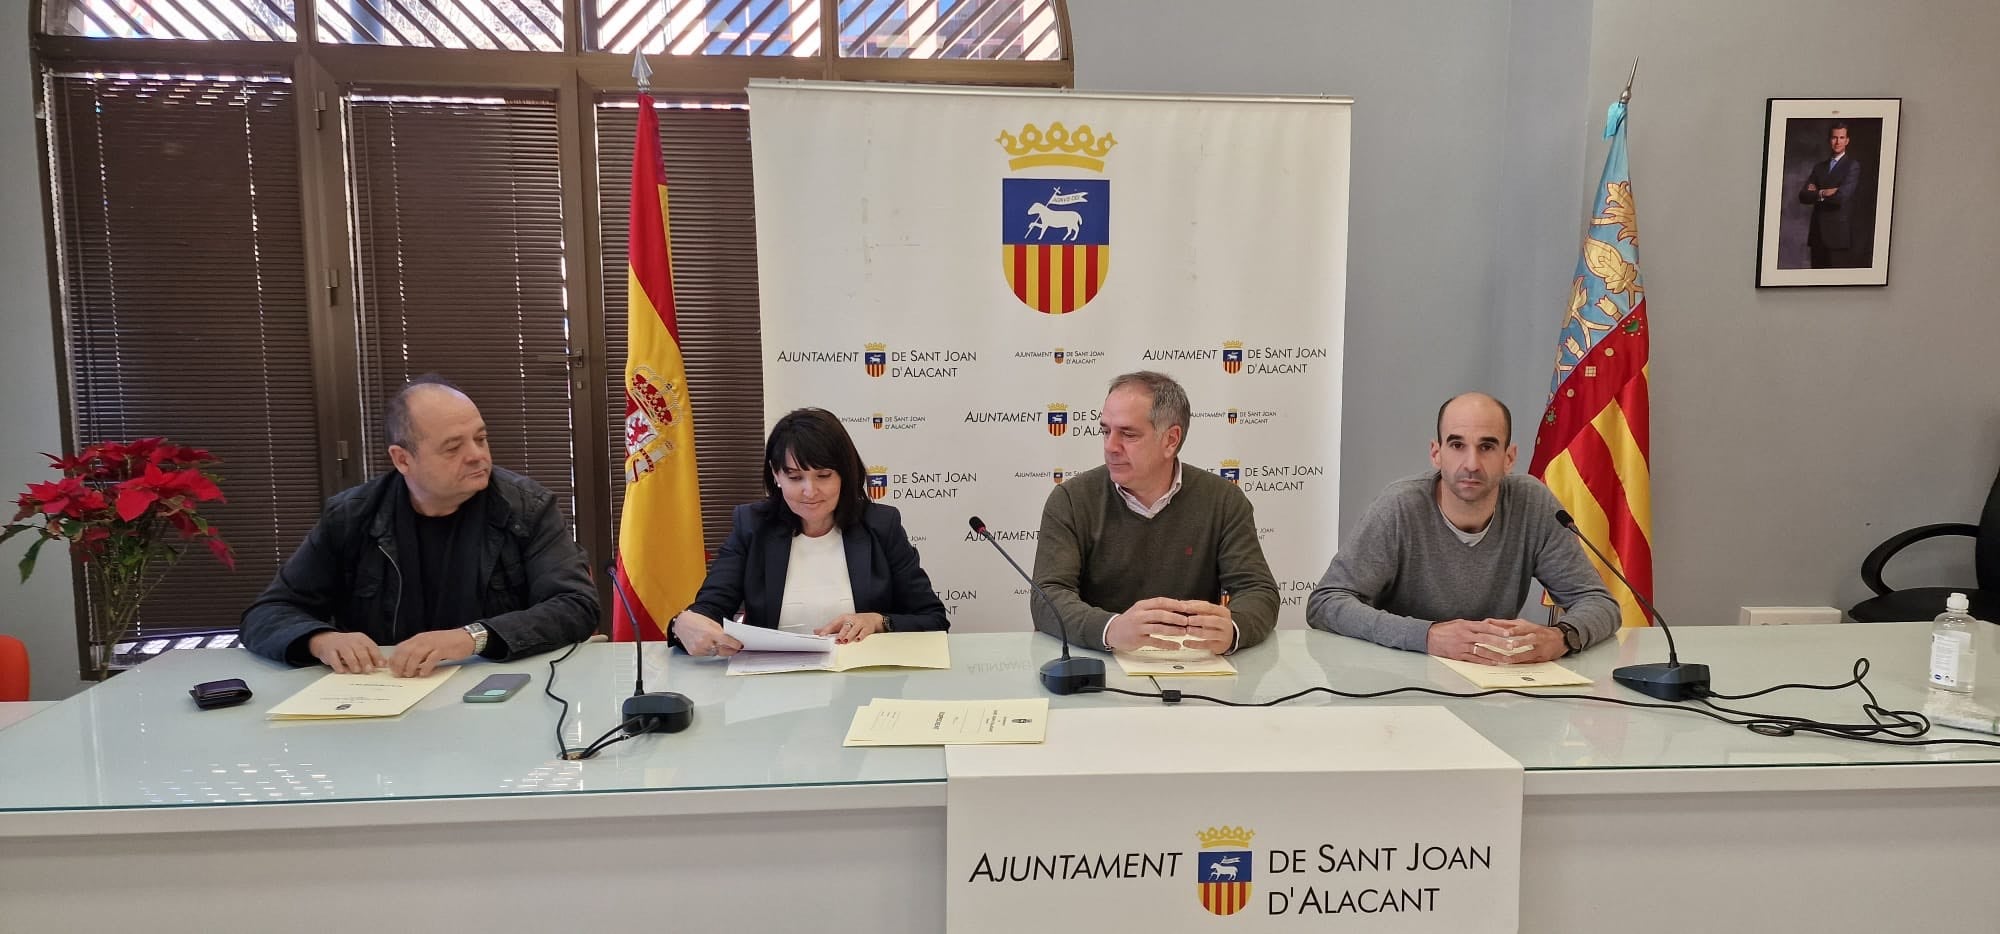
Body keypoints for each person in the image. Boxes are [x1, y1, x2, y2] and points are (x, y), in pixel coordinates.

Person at [242, 376, 598, 676]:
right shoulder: (352, 516)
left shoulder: (526, 508)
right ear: (403, 459)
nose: (477, 455)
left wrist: (472, 637)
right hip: (385, 697)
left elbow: (575, 606)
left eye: (481, 438)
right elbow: (267, 613)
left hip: (495, 691)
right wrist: (321, 640)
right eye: (453, 447)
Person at [1307, 392, 1620, 664]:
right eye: (1457, 445)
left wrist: (1561, 637)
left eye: (1487, 447)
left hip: (1494, 684)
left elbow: (1599, 603)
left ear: (1509, 458)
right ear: (1436, 453)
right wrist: (1427, 636)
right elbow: (1326, 602)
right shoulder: (1400, 507)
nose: (1471, 463)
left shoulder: (1532, 503)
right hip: (1404, 675)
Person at [1030, 371, 1279, 655]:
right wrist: (1110, 629)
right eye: (1105, 430)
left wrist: (1234, 629)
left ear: (1171, 440)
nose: (1110, 446)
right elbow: (1046, 596)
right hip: (1096, 663)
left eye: (1128, 434)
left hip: (1192, 669)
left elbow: (1258, 591)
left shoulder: (1223, 501)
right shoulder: (1072, 500)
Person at [670, 407, 949, 657]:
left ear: (845, 474)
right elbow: (708, 611)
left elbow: (934, 620)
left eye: (823, 476)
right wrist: (681, 624)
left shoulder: (880, 525)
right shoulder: (753, 526)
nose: (810, 491)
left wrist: (879, 621)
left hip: (866, 686)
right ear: (776, 476)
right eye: (794, 477)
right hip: (774, 691)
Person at [1798, 121, 1863, 269]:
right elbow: (1803, 196)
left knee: (1833, 284)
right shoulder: (1819, 167)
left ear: (1847, 140)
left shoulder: (1852, 166)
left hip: (1837, 235)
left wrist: (1816, 192)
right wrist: (1823, 192)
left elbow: (1840, 198)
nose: (1837, 142)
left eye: (1841, 138)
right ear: (1829, 140)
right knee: (1815, 281)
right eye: (1834, 137)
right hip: (1817, 234)